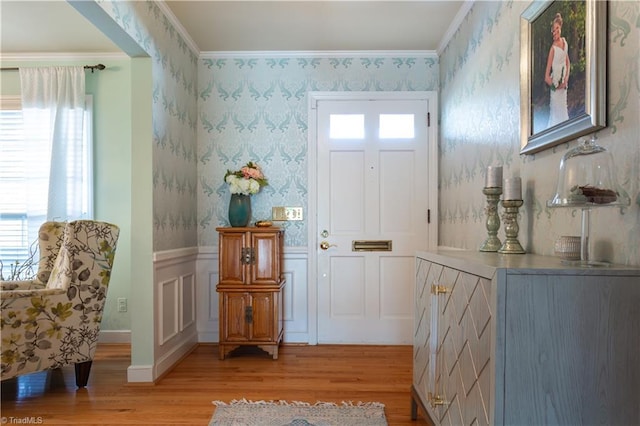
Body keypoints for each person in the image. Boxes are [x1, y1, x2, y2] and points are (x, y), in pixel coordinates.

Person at [544, 13, 570, 128]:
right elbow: (546, 77)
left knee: (564, 114)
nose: (555, 32)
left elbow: (567, 63)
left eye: (557, 29)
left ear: (560, 27)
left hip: (563, 88)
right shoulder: (552, 49)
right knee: (555, 118)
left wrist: (565, 80)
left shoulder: (565, 43)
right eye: (553, 30)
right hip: (556, 89)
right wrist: (555, 86)